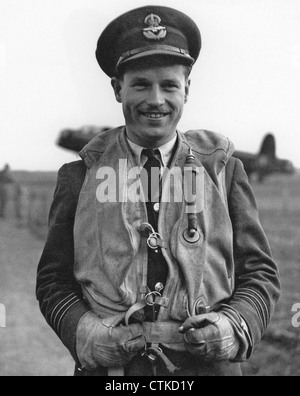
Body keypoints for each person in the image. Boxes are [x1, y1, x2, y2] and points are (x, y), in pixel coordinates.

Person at [36, 5, 281, 376]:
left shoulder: (224, 170)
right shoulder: (79, 175)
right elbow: (53, 280)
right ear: (118, 89)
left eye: (169, 85)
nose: (155, 100)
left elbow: (259, 272)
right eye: (140, 84)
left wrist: (234, 325)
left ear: (187, 89)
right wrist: (83, 330)